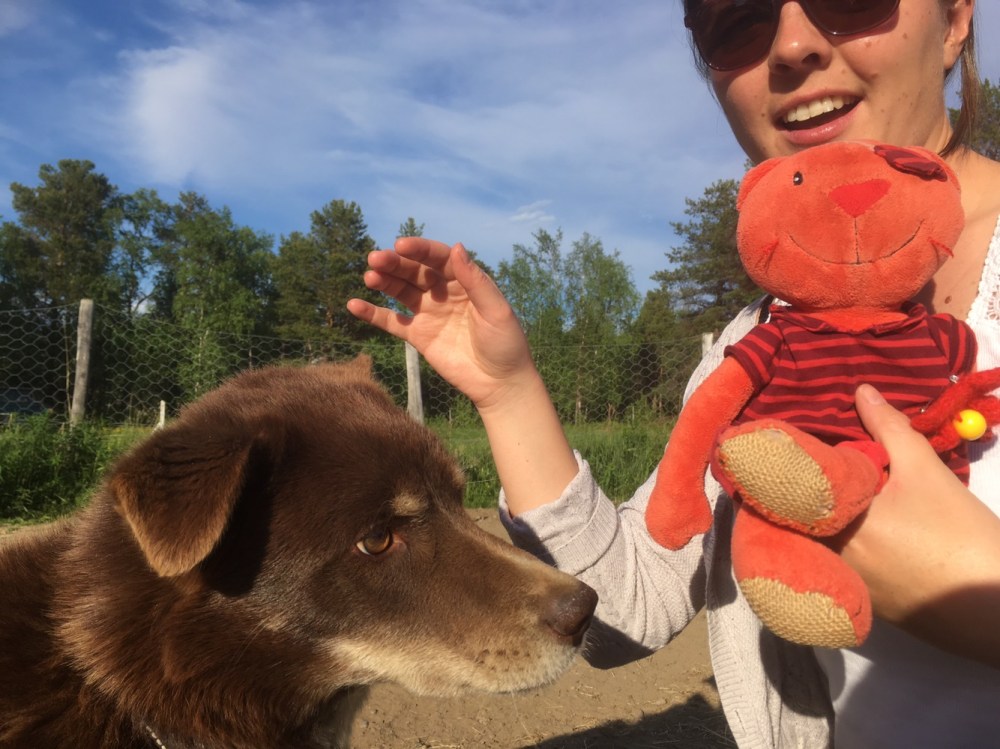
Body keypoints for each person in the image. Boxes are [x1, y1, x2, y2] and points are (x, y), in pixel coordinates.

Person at [348, 1, 1000, 746]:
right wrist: (508, 390)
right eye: (735, 17)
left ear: (955, 20)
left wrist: (974, 597)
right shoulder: (762, 341)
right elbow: (630, 607)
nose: (791, 45)